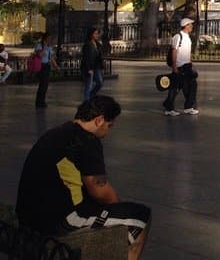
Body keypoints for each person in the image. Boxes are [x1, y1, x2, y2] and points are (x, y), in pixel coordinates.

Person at [16, 95, 151, 260]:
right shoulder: (87, 140)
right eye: (109, 126)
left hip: (29, 217)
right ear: (99, 120)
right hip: (57, 222)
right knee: (141, 217)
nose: (107, 133)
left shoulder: (57, 133)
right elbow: (100, 190)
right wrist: (119, 210)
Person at [163, 18, 199, 116]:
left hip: (187, 66)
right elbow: (174, 51)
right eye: (190, 25)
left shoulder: (188, 37)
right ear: (186, 25)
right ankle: (169, 108)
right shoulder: (178, 36)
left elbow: (188, 52)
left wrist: (191, 64)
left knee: (192, 86)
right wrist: (174, 66)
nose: (191, 26)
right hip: (179, 66)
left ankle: (189, 107)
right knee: (175, 87)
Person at [34, 32, 58, 108]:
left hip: (47, 66)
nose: (50, 40)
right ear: (45, 38)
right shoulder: (39, 45)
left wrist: (56, 66)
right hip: (41, 66)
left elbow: (51, 58)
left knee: (45, 85)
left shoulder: (49, 47)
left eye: (50, 39)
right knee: (42, 85)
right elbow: (40, 55)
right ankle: (38, 102)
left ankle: (42, 101)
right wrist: (44, 47)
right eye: (48, 38)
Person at [81, 26, 104, 102]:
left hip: (96, 67)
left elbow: (100, 56)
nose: (97, 35)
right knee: (89, 85)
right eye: (95, 34)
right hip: (89, 67)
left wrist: (102, 67)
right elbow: (86, 58)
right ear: (91, 35)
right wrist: (88, 69)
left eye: (97, 34)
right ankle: (87, 102)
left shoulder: (98, 44)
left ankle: (91, 95)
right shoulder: (88, 44)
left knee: (100, 83)